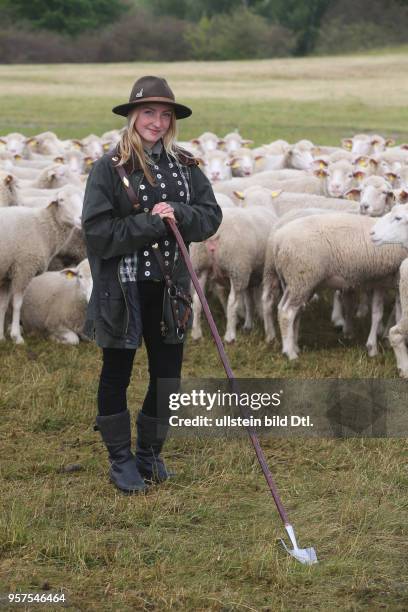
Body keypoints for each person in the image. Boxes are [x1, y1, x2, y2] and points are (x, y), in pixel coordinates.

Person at [81, 75, 222, 494]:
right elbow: (97, 231)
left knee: (168, 378)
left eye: (165, 115)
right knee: (116, 373)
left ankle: (149, 454)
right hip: (122, 291)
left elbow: (210, 216)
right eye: (148, 113)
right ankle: (120, 460)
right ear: (132, 116)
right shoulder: (108, 168)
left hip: (170, 288)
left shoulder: (186, 166)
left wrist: (178, 211)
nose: (157, 122)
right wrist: (150, 223)